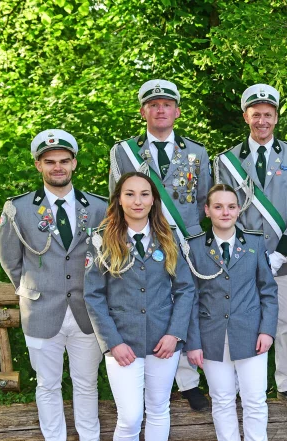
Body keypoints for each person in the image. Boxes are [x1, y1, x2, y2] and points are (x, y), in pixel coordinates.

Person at [0, 129, 106, 441]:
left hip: (87, 311)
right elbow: (9, 258)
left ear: (74, 163)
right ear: (38, 165)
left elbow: (107, 257)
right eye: (49, 162)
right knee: (47, 384)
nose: (57, 167)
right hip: (41, 310)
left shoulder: (98, 207)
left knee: (86, 383)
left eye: (63, 160)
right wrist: (32, 289)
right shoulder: (18, 209)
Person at [108, 78, 211, 410]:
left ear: (177, 111)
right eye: (153, 105)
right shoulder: (124, 152)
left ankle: (190, 380)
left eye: (167, 104)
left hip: (185, 241)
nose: (161, 110)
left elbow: (202, 200)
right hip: (141, 240)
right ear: (143, 112)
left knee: (186, 302)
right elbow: (117, 198)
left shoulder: (196, 152)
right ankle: (153, 379)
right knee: (151, 302)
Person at [84, 172, 195, 441]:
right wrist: (113, 342)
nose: (137, 201)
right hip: (123, 343)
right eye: (130, 194)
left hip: (163, 342)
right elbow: (94, 296)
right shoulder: (102, 240)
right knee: (130, 417)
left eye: (144, 194)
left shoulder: (169, 236)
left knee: (158, 409)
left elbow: (185, 289)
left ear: (153, 200)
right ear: (119, 200)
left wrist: (174, 334)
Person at [214, 84, 287, 410]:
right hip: (242, 257)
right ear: (246, 117)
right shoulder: (227, 161)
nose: (262, 121)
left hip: (284, 258)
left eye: (268, 115)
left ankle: (286, 383)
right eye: (256, 115)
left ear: (276, 117)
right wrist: (249, 252)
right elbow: (223, 207)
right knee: (242, 320)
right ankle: (244, 384)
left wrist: (282, 251)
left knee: (284, 323)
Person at [182, 184, 278, 441]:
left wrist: (267, 330)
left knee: (255, 400)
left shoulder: (254, 243)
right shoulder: (194, 247)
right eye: (218, 206)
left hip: (251, 334)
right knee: (222, 400)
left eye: (231, 206)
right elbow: (189, 299)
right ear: (207, 210)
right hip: (211, 337)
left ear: (238, 210)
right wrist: (193, 343)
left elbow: (268, 290)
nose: (225, 212)